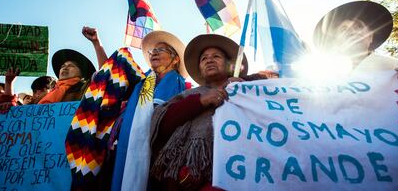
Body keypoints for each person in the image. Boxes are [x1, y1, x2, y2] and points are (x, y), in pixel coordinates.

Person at [65, 30, 189, 191]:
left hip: (148, 149)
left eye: (161, 50)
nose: (154, 53)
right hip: (119, 146)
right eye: (153, 51)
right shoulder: (143, 82)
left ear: (175, 59)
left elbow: (158, 115)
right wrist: (97, 44)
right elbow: (111, 73)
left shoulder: (174, 79)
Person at [149, 34, 271, 191]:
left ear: (229, 66)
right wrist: (200, 101)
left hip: (242, 172)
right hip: (186, 178)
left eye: (216, 56)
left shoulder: (249, 87)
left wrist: (245, 84)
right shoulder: (188, 95)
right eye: (204, 58)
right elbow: (162, 124)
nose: (209, 60)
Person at [313, 1, 398, 73]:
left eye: (358, 27)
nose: (351, 32)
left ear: (370, 36)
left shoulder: (394, 68)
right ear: (336, 41)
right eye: (343, 29)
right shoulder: (323, 74)